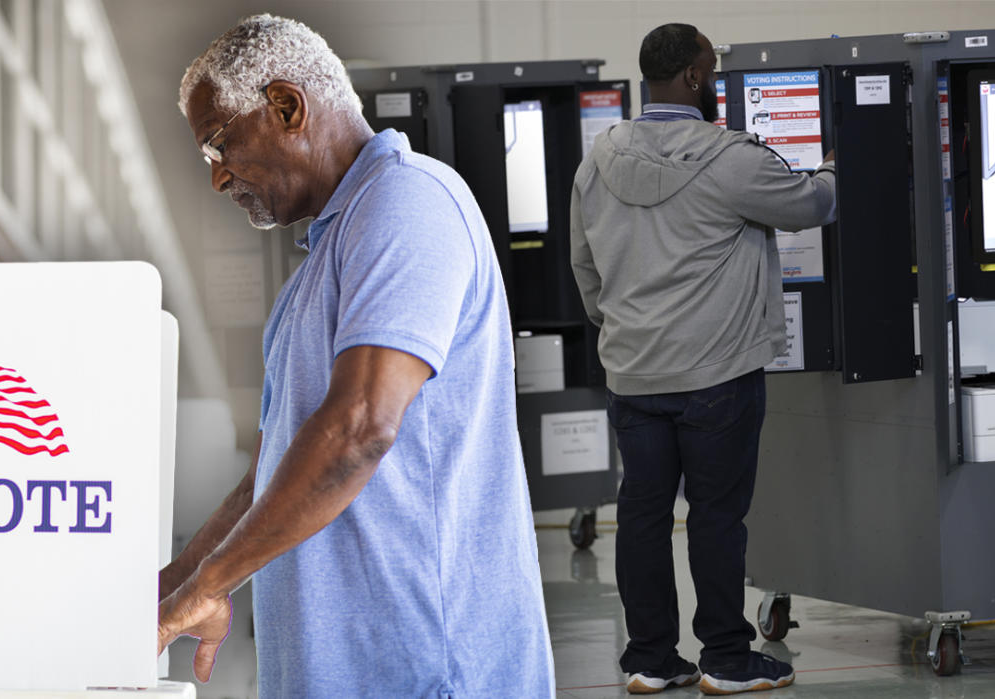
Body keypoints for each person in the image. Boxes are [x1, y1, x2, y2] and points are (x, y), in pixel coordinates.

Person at [156, 14, 555, 698]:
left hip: (425, 671)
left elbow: (360, 428)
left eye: (219, 145)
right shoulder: (310, 279)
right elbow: (269, 477)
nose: (219, 179)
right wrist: (175, 587)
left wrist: (212, 583)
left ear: (286, 106)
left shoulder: (408, 200)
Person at [569, 23, 836, 696]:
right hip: (717, 375)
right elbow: (809, 204)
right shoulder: (730, 159)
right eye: (711, 71)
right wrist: (836, 166)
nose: (714, 83)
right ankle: (725, 657)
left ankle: (650, 659)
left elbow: (584, 268)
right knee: (717, 516)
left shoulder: (596, 162)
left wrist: (622, 329)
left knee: (643, 516)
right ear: (693, 76)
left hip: (633, 375)